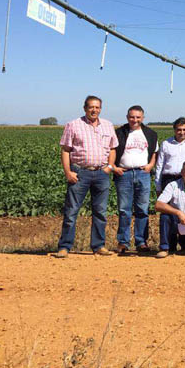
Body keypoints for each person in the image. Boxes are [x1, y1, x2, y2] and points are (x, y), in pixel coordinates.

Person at [53, 95, 118, 258]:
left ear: (100, 109)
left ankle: (98, 246)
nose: (94, 110)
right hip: (80, 172)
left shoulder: (108, 126)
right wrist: (68, 172)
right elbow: (66, 150)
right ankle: (65, 246)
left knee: (100, 211)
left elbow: (113, 148)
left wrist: (109, 167)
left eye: (97, 107)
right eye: (91, 107)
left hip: (101, 173)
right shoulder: (73, 125)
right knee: (71, 211)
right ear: (85, 108)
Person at [111, 105, 159, 253]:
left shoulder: (150, 133)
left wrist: (151, 165)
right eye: (132, 117)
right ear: (127, 117)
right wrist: (114, 166)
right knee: (124, 209)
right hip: (124, 174)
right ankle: (123, 242)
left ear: (143, 118)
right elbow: (111, 150)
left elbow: (154, 152)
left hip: (142, 174)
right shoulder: (119, 132)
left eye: (138, 117)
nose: (135, 120)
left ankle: (141, 242)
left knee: (142, 210)